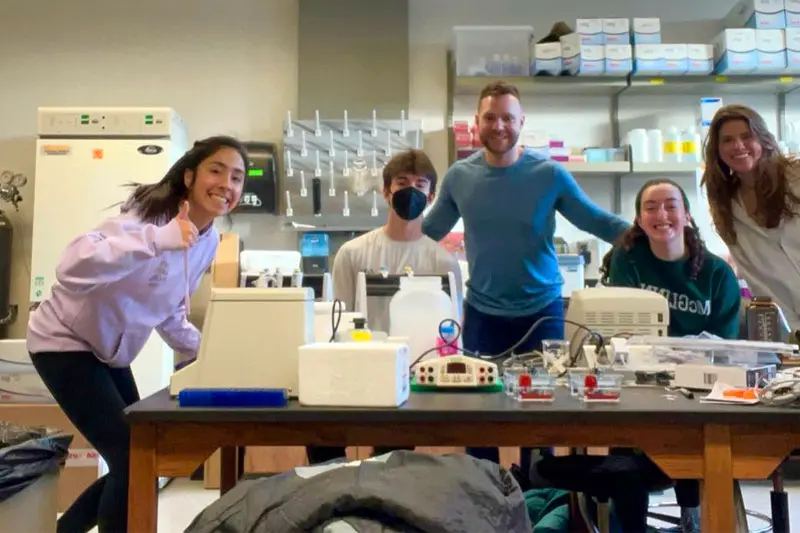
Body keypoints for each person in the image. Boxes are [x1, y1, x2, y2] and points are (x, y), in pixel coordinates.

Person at [26, 136, 248, 533]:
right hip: (64, 342)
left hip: (110, 353)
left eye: (237, 177)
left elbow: (170, 312)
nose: (226, 184)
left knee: (146, 455)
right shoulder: (148, 215)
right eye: (216, 170)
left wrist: (211, 355)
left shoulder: (209, 240)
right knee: (131, 456)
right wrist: (156, 240)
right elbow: (71, 265)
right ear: (190, 175)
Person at [421, 80, 631, 481]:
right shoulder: (459, 177)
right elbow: (427, 231)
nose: (499, 125)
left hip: (543, 313)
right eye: (490, 117)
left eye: (507, 117)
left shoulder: (548, 174)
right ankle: (482, 495)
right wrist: (382, 238)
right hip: (482, 312)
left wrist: (656, 237)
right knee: (478, 413)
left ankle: (536, 498)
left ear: (522, 122)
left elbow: (595, 220)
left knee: (539, 416)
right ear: (477, 122)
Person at [589, 179, 740, 533]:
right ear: (639, 220)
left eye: (671, 205)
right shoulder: (626, 260)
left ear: (687, 214)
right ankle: (628, 526)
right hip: (637, 382)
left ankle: (694, 518)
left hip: (696, 389)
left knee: (693, 432)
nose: (662, 215)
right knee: (625, 446)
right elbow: (620, 330)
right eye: (651, 207)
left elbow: (723, 347)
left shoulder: (717, 274)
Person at [307, 148, 462, 465]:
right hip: (355, 372)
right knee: (325, 453)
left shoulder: (442, 261)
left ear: (431, 196)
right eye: (402, 182)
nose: (410, 191)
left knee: (391, 468)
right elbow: (337, 324)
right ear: (385, 191)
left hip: (412, 381)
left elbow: (453, 332)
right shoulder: (353, 254)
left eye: (420, 185)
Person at [702, 104, 800, 333]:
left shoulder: (795, 176)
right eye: (727, 140)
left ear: (762, 139)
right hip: (792, 326)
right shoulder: (726, 204)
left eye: (747, 136)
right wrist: (791, 335)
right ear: (717, 149)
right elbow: (758, 278)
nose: (738, 146)